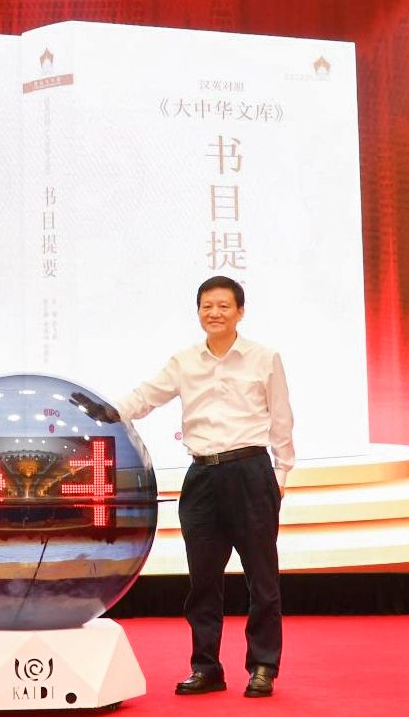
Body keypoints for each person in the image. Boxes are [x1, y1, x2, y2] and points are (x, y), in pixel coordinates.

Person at [116, 275, 294, 698]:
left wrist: (281, 474)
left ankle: (263, 666)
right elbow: (145, 397)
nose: (214, 313)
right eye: (207, 306)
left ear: (240, 312)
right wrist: (103, 411)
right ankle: (206, 667)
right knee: (202, 581)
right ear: (198, 312)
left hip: (250, 471)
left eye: (223, 306)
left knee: (262, 579)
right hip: (201, 477)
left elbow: (282, 418)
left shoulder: (264, 358)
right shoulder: (184, 361)